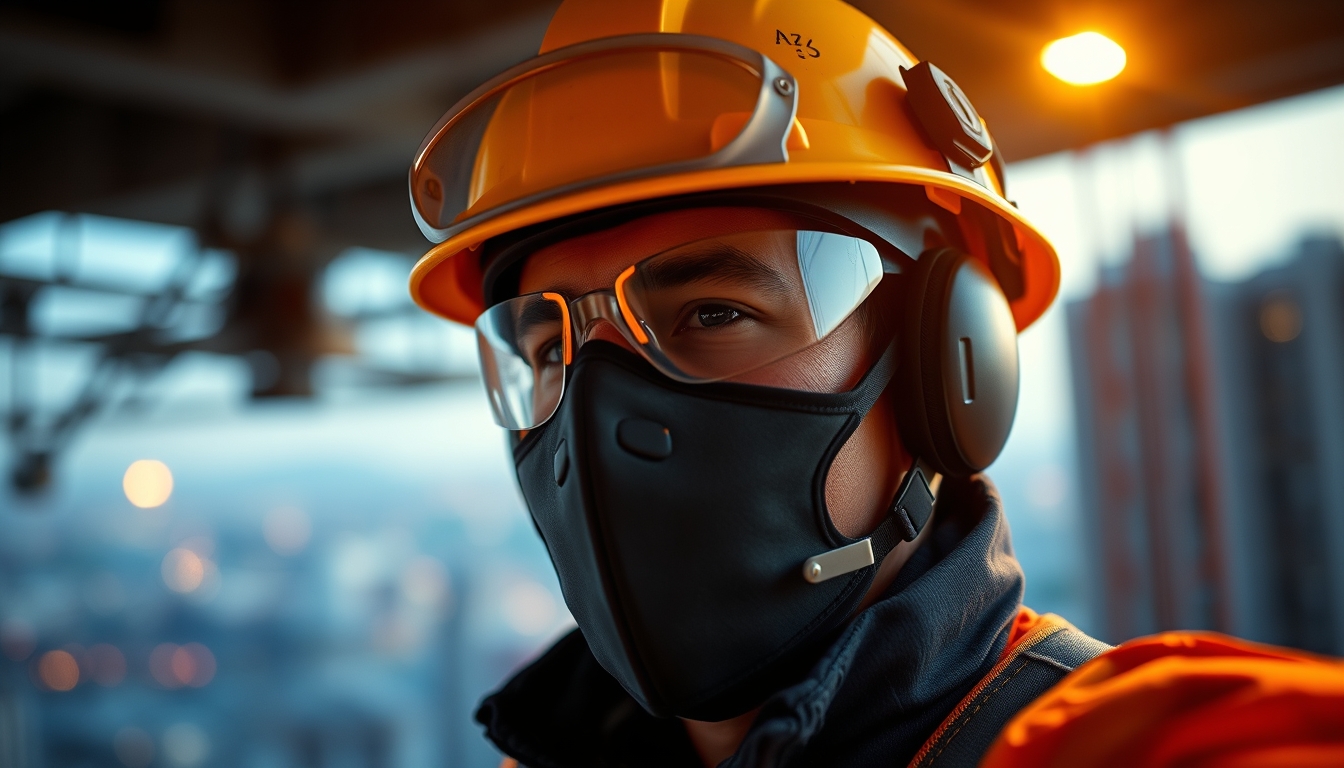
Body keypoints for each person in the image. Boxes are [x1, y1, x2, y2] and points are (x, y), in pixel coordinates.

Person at [405, 1, 1344, 765]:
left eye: (713, 315)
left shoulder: (1138, 743)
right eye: (546, 355)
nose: (603, 415)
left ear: (949, 363)